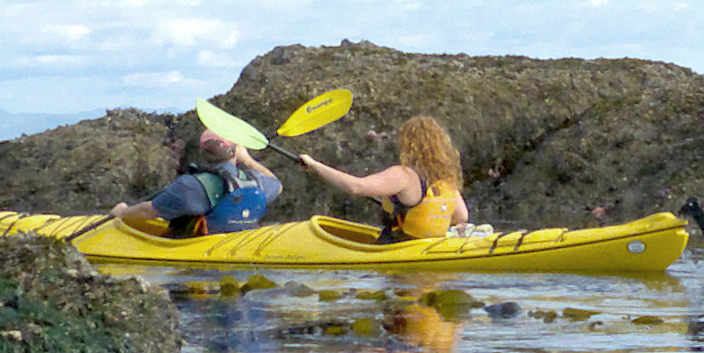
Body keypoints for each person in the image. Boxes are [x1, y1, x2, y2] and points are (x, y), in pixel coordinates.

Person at [292, 114, 470, 239]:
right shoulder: (447, 178)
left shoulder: (404, 175)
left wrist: (315, 165)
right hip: (429, 246)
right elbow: (461, 216)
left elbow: (356, 187)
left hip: (398, 247)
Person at [112, 121, 284, 237]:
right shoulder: (256, 181)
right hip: (238, 241)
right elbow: (277, 184)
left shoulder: (190, 186)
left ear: (202, 151)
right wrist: (247, 159)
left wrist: (121, 213)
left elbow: (146, 212)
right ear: (236, 150)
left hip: (199, 257)